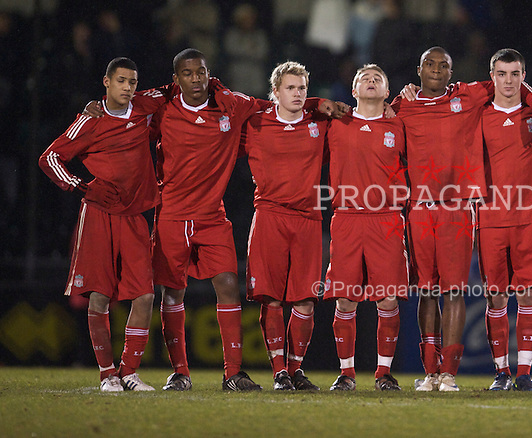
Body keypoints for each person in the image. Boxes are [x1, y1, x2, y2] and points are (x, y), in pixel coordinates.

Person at [392, 46, 532, 392]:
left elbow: (511, 83)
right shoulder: (402, 105)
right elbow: (374, 121)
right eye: (429, 64)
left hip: (458, 206)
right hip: (419, 207)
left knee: (453, 291)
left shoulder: (467, 96)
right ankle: (431, 371)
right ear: (418, 69)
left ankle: (449, 373)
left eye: (444, 65)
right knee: (427, 291)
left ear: (453, 73)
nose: (436, 69)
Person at [38, 57, 163, 392]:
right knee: (99, 297)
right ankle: (107, 374)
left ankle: (129, 373)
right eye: (121, 81)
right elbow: (50, 157)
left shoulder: (144, 106)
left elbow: (174, 91)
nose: (127, 87)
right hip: (98, 214)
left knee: (145, 295)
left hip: (134, 216)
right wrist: (80, 185)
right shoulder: (89, 119)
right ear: (106, 82)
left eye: (132, 82)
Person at [151, 48, 266, 392]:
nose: (196, 79)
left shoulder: (231, 104)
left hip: (212, 216)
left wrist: (315, 103)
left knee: (229, 285)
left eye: (200, 72)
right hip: (171, 214)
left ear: (208, 73)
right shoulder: (161, 109)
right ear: (177, 79)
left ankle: (233, 373)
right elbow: (127, 114)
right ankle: (180, 373)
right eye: (187, 74)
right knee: (172, 293)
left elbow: (275, 107)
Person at [478, 49, 532, 392]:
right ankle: (501, 373)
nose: (508, 81)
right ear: (492, 77)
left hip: (529, 220)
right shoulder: (478, 116)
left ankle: (524, 374)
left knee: (528, 295)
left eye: (515, 73)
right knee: (495, 298)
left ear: (524, 76)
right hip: (490, 219)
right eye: (502, 73)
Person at [244, 61, 328, 391]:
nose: (297, 93)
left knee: (306, 299)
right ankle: (279, 370)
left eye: (302, 88)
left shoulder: (320, 122)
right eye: (290, 88)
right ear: (275, 91)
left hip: (309, 219)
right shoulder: (254, 123)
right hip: (270, 215)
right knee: (272, 298)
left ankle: (296, 369)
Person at [323, 64, 408, 392]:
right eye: (364, 79)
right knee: (346, 300)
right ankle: (346, 374)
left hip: (386, 219)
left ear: (387, 92)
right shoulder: (335, 122)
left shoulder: (399, 125)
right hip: (347, 218)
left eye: (378, 79)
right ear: (354, 91)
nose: (371, 81)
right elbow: (299, 106)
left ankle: (383, 373)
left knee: (387, 300)